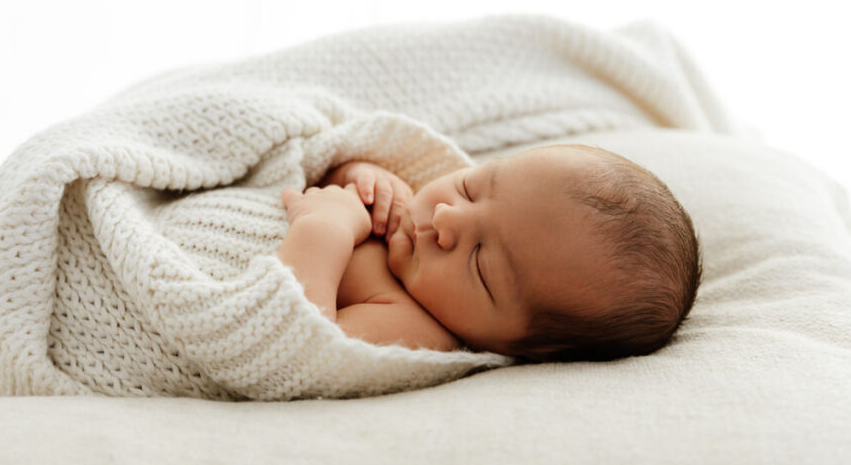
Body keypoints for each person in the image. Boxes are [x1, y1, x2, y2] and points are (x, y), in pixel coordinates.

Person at [278, 144, 701, 362]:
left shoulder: (413, 326)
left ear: (518, 347)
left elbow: (293, 345)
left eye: (480, 262)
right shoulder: (405, 209)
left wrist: (322, 230)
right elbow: (317, 172)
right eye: (471, 188)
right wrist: (358, 171)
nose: (446, 218)